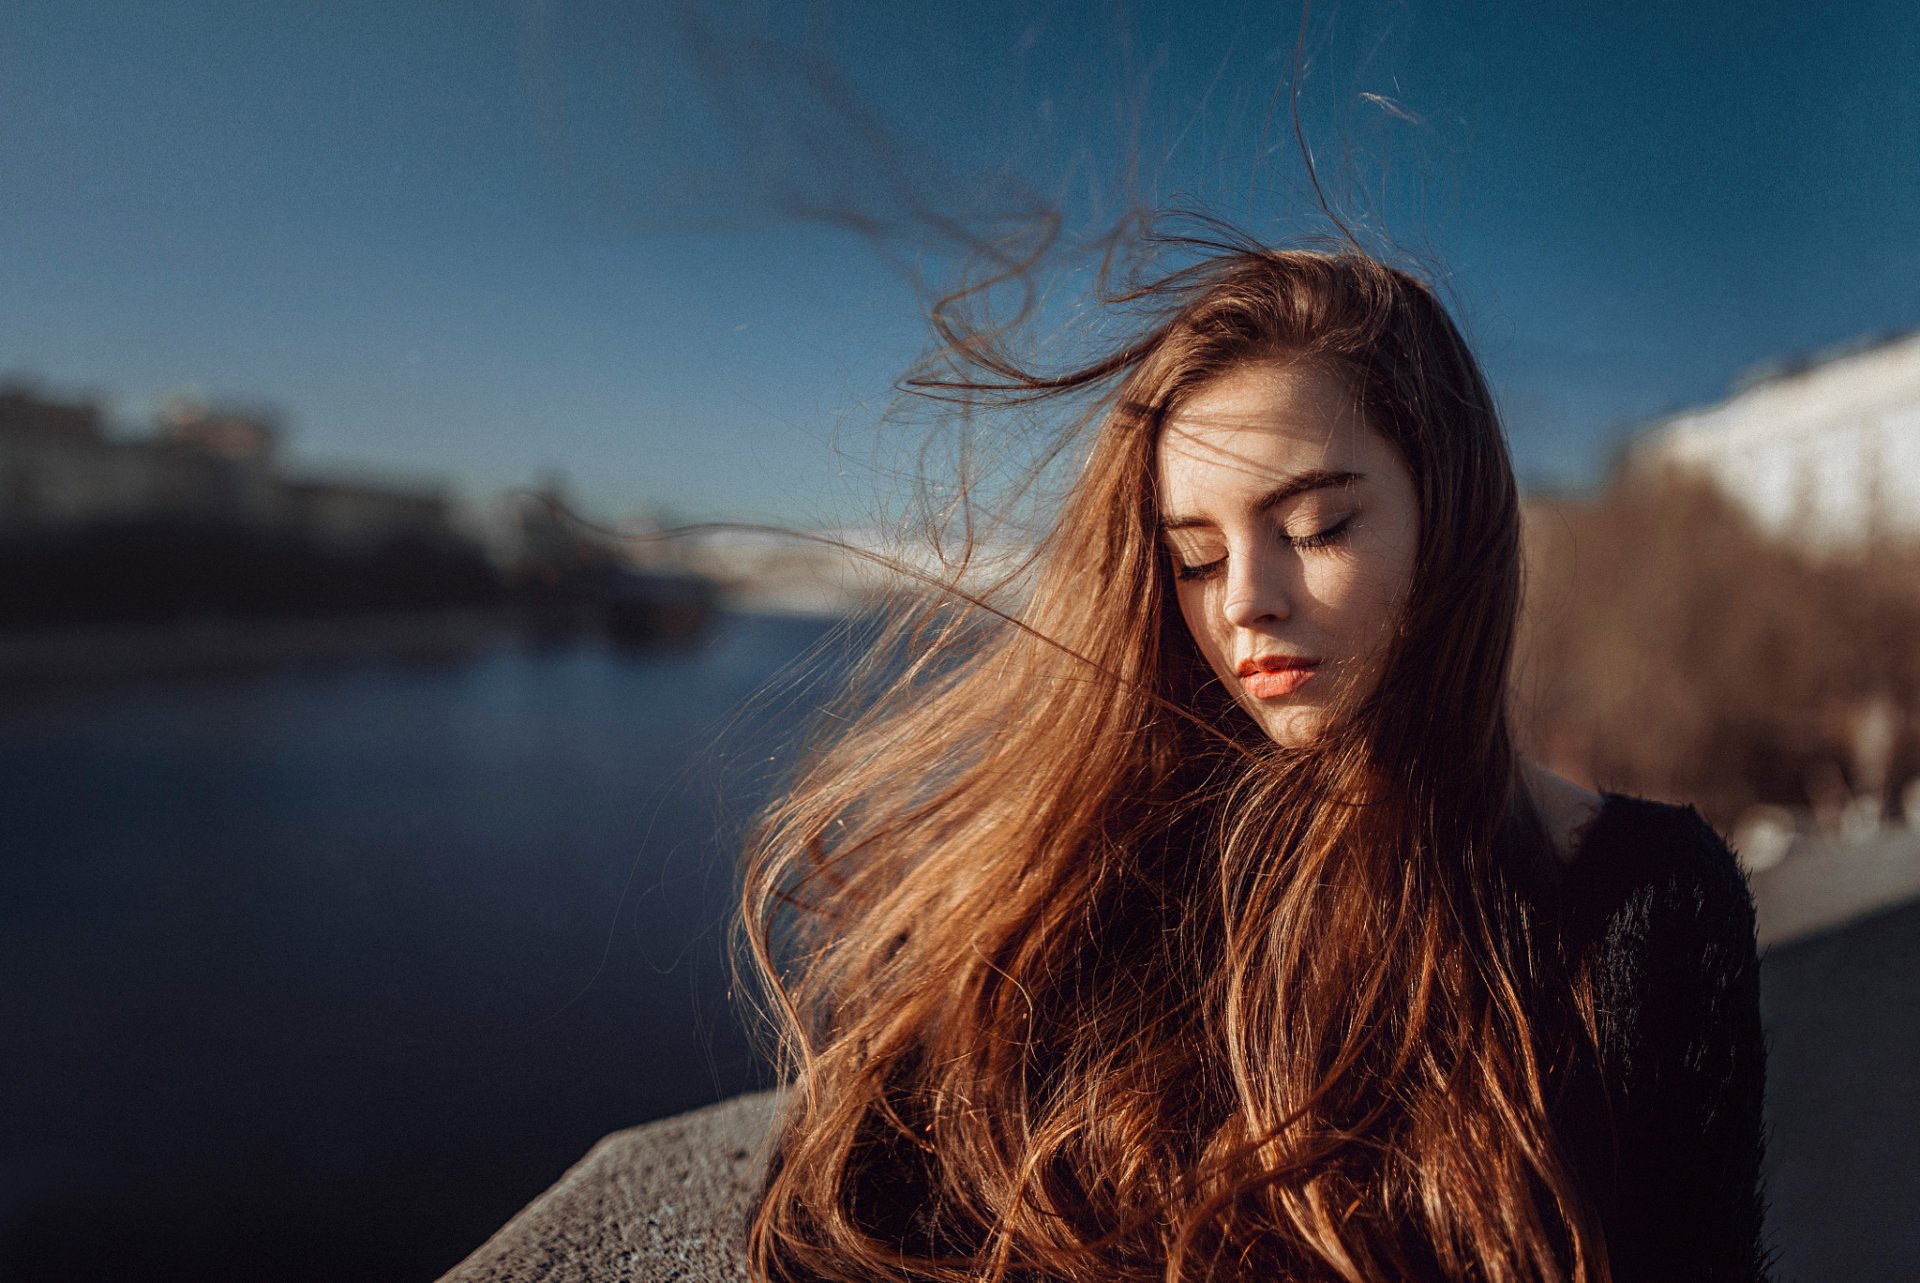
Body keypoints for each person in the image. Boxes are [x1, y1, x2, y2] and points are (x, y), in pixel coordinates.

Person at [442, 242, 1770, 1283]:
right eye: (1192, 555)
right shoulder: (1120, 874)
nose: (1241, 601)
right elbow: (840, 1232)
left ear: (1454, 512)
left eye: (1315, 525)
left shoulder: (1650, 903)